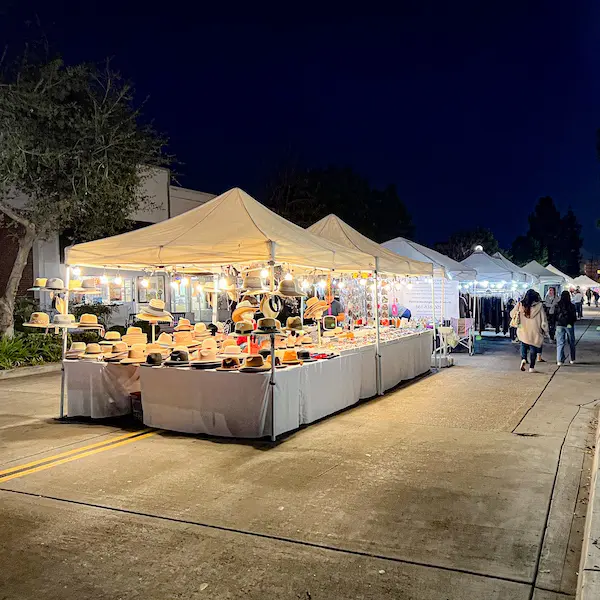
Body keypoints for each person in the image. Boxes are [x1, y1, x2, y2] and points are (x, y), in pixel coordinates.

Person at [510, 289, 548, 373]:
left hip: (523, 329)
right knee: (533, 347)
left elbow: (512, 314)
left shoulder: (520, 304)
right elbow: (543, 320)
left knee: (523, 343)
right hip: (535, 330)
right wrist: (546, 330)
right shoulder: (539, 306)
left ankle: (523, 359)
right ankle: (531, 367)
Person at [555, 290, 577, 365]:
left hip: (559, 325)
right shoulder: (572, 305)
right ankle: (572, 359)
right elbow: (574, 316)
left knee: (560, 343)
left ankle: (559, 360)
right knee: (571, 341)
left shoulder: (557, 305)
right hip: (569, 324)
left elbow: (555, 315)